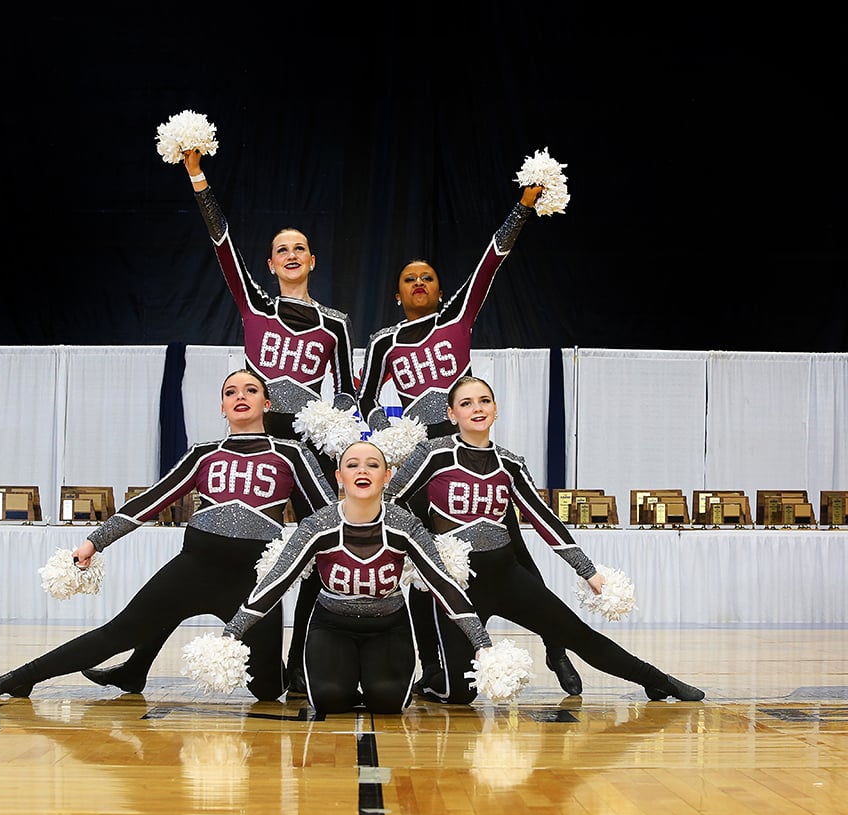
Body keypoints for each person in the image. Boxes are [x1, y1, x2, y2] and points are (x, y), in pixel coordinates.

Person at [0, 368, 336, 700]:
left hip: (255, 579)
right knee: (118, 632)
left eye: (250, 390)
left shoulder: (291, 453)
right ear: (222, 407)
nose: (240, 396)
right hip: (195, 566)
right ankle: (21, 677)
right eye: (230, 392)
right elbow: (149, 501)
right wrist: (94, 541)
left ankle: (136, 669)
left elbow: (329, 513)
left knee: (268, 690)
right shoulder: (203, 454)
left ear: (266, 403)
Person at [356, 183, 583, 696]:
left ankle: (556, 649)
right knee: (416, 560)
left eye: (428, 278)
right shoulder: (383, 343)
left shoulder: (457, 319)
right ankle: (433, 669)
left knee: (519, 557)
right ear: (397, 294)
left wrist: (522, 208)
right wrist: (385, 436)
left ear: (440, 290)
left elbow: (491, 261)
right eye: (409, 279)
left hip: (470, 446)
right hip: (421, 460)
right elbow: (363, 399)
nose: (419, 283)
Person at [385, 375, 705, 704]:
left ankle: (657, 680)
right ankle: (430, 683)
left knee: (579, 634)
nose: (477, 408)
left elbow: (544, 519)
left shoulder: (510, 463)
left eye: (484, 401)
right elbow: (389, 501)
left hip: (506, 575)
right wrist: (422, 550)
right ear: (452, 415)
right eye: (466, 403)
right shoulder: (433, 454)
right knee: (460, 695)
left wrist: (587, 570)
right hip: (458, 584)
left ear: (496, 409)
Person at [184, 148, 358, 694]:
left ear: (312, 262)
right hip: (257, 435)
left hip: (307, 443)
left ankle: (302, 664)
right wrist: (197, 175)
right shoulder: (257, 308)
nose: (290, 254)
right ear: (269, 264)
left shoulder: (336, 323)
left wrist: (339, 427)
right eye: (280, 249)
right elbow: (222, 246)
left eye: (299, 249)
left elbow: (349, 392)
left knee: (325, 546)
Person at [221, 440, 494, 716]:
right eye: (352, 465)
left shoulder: (405, 525)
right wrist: (232, 633)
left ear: (386, 476)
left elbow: (442, 583)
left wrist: (482, 644)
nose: (362, 471)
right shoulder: (318, 525)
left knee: (389, 702)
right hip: (331, 626)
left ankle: (375, 679)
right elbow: (277, 581)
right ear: (340, 477)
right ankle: (343, 678)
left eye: (372, 465)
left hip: (388, 627)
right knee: (328, 700)